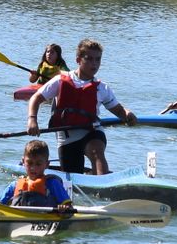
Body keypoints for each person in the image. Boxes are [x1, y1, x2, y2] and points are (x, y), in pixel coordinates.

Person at [27, 38, 137, 176]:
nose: (94, 64)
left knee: (96, 150)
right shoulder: (60, 81)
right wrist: (32, 120)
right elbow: (35, 98)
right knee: (73, 178)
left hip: (91, 131)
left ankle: (103, 184)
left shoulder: (102, 88)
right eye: (89, 59)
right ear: (78, 60)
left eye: (98, 59)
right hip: (66, 137)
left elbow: (119, 110)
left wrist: (127, 115)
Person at [0, 139, 74, 210]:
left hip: (45, 220)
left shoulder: (53, 184)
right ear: (23, 162)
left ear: (46, 164)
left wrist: (64, 208)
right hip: (19, 220)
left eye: (38, 164)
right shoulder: (14, 185)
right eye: (30, 163)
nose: (33, 168)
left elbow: (69, 208)